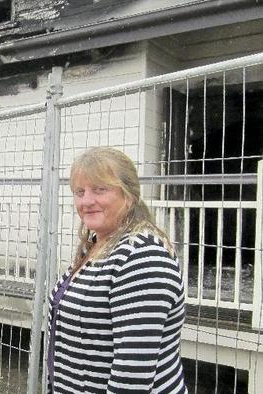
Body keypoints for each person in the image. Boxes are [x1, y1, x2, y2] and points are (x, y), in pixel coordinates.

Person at [46, 147, 187, 393]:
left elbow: (131, 373)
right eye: (80, 192)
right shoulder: (98, 245)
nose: (86, 201)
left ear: (129, 195)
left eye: (100, 189)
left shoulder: (142, 256)